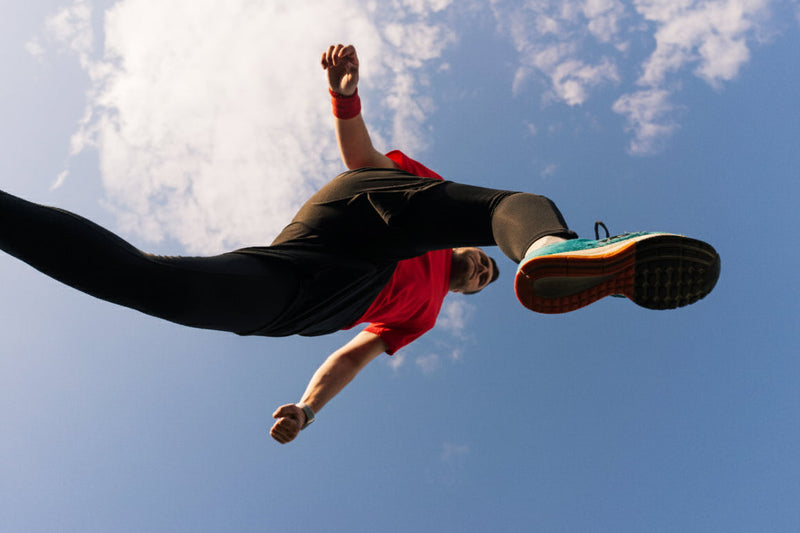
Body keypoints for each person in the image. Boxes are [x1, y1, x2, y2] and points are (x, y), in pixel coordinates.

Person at [0, 44, 720, 445]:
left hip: (316, 296)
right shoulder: (427, 203)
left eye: (478, 274)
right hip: (345, 229)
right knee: (504, 206)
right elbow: (363, 163)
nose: (474, 265)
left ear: (465, 291)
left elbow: (350, 353)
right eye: (481, 262)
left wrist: (308, 407)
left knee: (153, 285)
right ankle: (550, 247)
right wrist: (346, 100)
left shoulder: (424, 314)